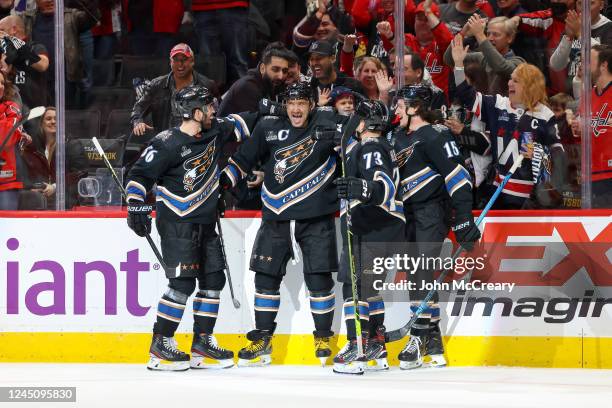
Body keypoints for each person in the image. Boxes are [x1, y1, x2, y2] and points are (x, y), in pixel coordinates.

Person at [125, 85, 254, 371]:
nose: (213, 111)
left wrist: (274, 109)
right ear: (195, 112)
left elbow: (246, 123)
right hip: (177, 224)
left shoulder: (215, 131)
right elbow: (139, 176)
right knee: (182, 283)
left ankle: (202, 343)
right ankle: (161, 344)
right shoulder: (166, 142)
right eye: (208, 107)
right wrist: (135, 206)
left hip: (207, 224)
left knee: (212, 281)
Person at [220, 82, 345, 367]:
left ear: (312, 105)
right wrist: (222, 184)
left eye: (302, 102)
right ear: (285, 105)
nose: (297, 108)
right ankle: (262, 340)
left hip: (315, 219)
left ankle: (323, 338)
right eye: (292, 103)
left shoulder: (327, 122)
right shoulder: (268, 126)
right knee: (265, 280)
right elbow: (241, 160)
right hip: (275, 218)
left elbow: (358, 139)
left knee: (319, 280)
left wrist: (342, 139)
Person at [392, 84, 479, 370]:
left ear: (415, 108)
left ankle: (416, 337)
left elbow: (459, 178)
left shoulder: (435, 136)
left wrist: (464, 217)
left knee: (421, 272)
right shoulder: (398, 137)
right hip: (407, 215)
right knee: (417, 273)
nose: (396, 109)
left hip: (432, 212)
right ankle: (432, 339)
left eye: (401, 104)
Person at [332, 100, 405, 375]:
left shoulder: (371, 146)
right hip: (379, 227)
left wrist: (361, 188)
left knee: (355, 287)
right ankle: (376, 343)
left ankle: (356, 345)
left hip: (371, 224)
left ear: (368, 122)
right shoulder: (372, 146)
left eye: (358, 117)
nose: (353, 122)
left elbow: (382, 185)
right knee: (369, 287)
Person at [451, 34, 565, 209]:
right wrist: (458, 64)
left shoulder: (544, 114)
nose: (510, 83)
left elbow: (557, 154)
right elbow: (465, 93)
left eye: (516, 81)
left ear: (529, 86)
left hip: (529, 198)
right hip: (498, 192)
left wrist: (539, 155)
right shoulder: (498, 104)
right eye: (510, 78)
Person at [130, 43, 219, 142]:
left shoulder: (207, 85)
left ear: (192, 62)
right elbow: (139, 107)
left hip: (197, 142)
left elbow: (219, 112)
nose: (180, 64)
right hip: (165, 142)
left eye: (184, 59)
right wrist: (138, 121)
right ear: (170, 62)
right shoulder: (157, 85)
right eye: (175, 60)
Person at [572, 44, 612, 207]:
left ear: (604, 65)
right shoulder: (587, 96)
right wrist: (576, 128)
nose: (583, 66)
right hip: (591, 176)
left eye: (589, 61)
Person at [443, 15, 525, 96]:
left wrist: (479, 35)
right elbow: (449, 59)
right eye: (488, 34)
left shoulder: (518, 63)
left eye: (496, 34)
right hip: (481, 107)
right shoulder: (482, 57)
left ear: (510, 38)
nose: (490, 38)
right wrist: (463, 32)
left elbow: (501, 67)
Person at [219, 42, 292, 116]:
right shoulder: (247, 87)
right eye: (275, 69)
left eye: (285, 71)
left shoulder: (272, 84)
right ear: (262, 68)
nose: (281, 76)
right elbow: (257, 125)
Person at [191, 0, 249, 84]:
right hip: (203, 7)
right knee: (207, 66)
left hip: (232, 6)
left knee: (236, 62)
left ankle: (241, 95)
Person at [0, 14, 50, 110]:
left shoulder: (36, 47)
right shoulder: (3, 50)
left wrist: (17, 45)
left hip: (34, 108)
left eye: (2, 30)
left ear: (14, 30)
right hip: (9, 109)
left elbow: (43, 65)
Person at [0, 70, 23, 209]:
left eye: (2, 83)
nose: (1, 86)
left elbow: (6, 137)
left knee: (6, 229)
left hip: (6, 183)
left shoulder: (11, 107)